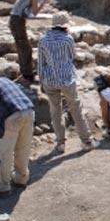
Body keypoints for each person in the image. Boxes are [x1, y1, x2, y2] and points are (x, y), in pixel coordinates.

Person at [38, 12, 99, 153]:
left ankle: (60, 143)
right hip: (67, 79)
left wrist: (42, 80)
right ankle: (86, 141)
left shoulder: (43, 40)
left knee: (55, 111)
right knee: (76, 109)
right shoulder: (67, 39)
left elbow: (41, 63)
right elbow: (72, 56)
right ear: (65, 26)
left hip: (49, 80)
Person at [9, 0, 54, 84]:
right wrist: (43, 3)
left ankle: (26, 73)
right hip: (17, 21)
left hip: (16, 20)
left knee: (22, 47)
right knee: (25, 49)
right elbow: (34, 13)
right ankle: (27, 75)